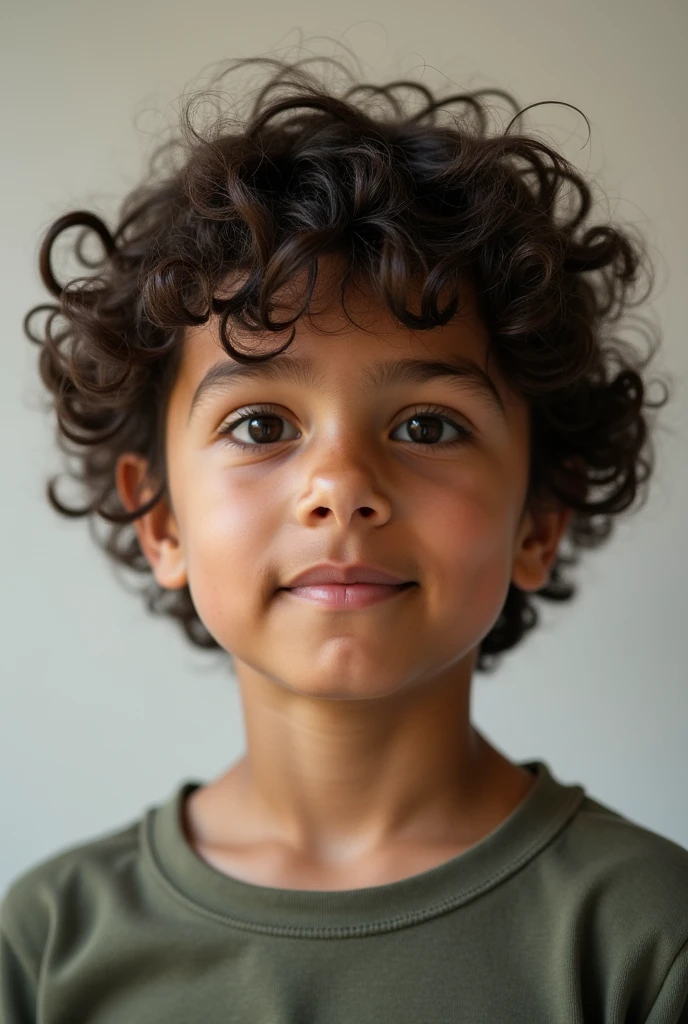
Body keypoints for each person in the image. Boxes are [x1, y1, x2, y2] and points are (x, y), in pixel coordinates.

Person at [3, 53, 687, 1023]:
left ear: (538, 519)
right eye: (259, 425)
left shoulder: (648, 945)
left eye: (427, 425)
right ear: (161, 521)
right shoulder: (43, 945)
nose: (342, 490)